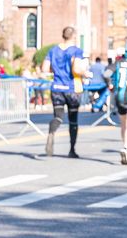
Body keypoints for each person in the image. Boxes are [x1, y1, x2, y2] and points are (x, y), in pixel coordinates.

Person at [42, 26, 87, 158]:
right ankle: (72, 150)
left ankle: (51, 132)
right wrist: (86, 73)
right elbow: (77, 69)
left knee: (58, 117)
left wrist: (56, 71)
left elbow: (45, 68)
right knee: (73, 120)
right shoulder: (76, 51)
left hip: (57, 88)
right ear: (74, 36)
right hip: (72, 89)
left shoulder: (53, 50)